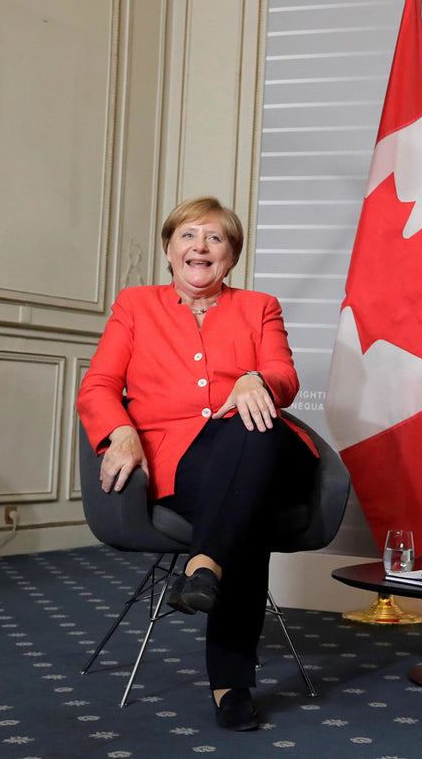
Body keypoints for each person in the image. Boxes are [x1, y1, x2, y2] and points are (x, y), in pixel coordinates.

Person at [77, 196, 319, 731]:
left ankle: (204, 565)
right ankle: (231, 683)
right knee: (244, 509)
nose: (200, 246)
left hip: (267, 450)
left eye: (215, 238)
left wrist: (258, 379)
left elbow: (284, 375)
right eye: (188, 235)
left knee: (252, 426)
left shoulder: (259, 306)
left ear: (230, 257)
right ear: (169, 250)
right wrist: (119, 430)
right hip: (179, 461)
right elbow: (97, 386)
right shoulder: (136, 305)